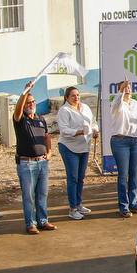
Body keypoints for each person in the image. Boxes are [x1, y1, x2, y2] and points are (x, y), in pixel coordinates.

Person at [12, 83, 55, 235]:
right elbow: (17, 109)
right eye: (28, 102)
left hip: (42, 162)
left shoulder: (40, 119)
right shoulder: (20, 119)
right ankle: (31, 223)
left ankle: (42, 221)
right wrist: (25, 92)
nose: (31, 104)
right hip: (26, 163)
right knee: (29, 195)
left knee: (42, 194)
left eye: (33, 101)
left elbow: (47, 137)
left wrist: (49, 153)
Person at [55, 86, 98, 220]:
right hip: (69, 147)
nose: (76, 98)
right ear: (66, 97)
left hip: (84, 147)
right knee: (73, 177)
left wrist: (95, 130)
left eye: (78, 95)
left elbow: (94, 122)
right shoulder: (64, 110)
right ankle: (72, 208)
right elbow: (64, 130)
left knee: (80, 177)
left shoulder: (85, 107)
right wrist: (79, 132)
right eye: (73, 95)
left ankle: (79, 204)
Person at [109, 81, 137, 217]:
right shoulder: (116, 103)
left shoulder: (135, 104)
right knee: (123, 175)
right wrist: (121, 91)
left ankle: (134, 203)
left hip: (135, 141)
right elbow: (118, 102)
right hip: (120, 141)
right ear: (120, 90)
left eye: (129, 88)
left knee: (134, 174)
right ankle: (123, 206)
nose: (128, 89)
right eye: (125, 88)